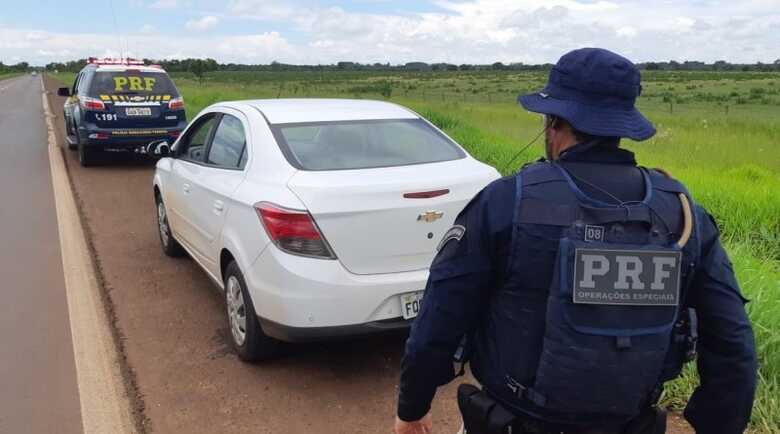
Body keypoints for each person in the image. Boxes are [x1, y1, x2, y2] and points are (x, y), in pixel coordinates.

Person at [394, 48, 757, 434]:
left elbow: (441, 315)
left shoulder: (505, 202)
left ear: (554, 123)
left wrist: (412, 407)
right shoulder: (682, 214)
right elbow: (732, 340)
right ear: (621, 125)